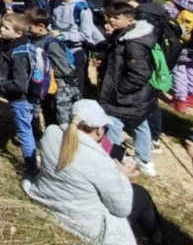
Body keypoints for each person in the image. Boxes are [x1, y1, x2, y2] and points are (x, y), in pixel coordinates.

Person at [23, 99, 164, 245]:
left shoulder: (51, 134)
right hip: (84, 222)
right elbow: (122, 209)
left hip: (52, 200)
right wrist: (122, 177)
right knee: (140, 194)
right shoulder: (101, 162)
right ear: (98, 130)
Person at [99, 0, 158, 177]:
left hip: (127, 95)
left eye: (116, 17)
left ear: (130, 20)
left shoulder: (133, 44)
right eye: (110, 17)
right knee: (140, 123)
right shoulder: (126, 35)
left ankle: (112, 159)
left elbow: (139, 74)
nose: (111, 20)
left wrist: (119, 90)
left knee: (114, 124)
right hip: (138, 97)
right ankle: (145, 160)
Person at [0, 12, 41, 175]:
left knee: (24, 133)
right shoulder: (24, 46)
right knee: (30, 128)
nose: (2, 30)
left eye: (6, 28)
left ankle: (31, 168)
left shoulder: (18, 54)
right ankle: (38, 157)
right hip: (31, 97)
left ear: (19, 33)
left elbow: (19, 84)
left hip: (20, 100)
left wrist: (2, 86)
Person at [50, 0, 105, 95]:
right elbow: (51, 21)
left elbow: (85, 35)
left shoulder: (81, 7)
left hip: (75, 53)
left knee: (74, 87)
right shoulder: (54, 2)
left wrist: (63, 36)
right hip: (57, 51)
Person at [26, 7, 79, 126]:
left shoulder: (51, 44)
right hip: (44, 87)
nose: (27, 30)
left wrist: (46, 70)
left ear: (41, 26)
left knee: (61, 120)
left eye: (29, 27)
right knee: (48, 115)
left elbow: (63, 69)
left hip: (59, 91)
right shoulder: (35, 39)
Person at [163, 0, 193, 113]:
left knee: (179, 70)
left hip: (180, 45)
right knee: (191, 69)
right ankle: (191, 96)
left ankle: (180, 99)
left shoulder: (170, 6)